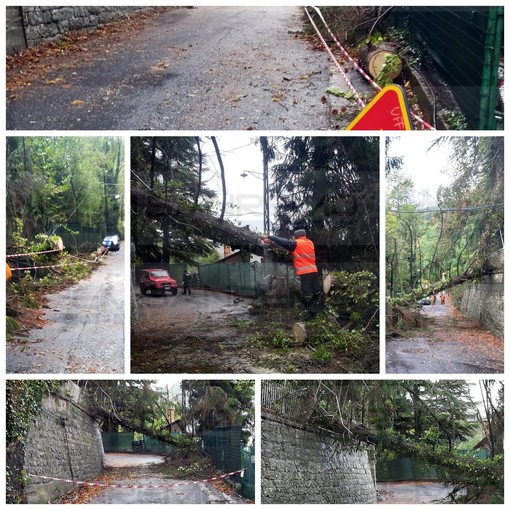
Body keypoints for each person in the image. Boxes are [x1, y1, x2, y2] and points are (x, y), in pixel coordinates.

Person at [262, 229, 323, 320]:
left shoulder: (297, 243)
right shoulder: (310, 242)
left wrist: (270, 237)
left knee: (307, 294)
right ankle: (319, 311)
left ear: (297, 236)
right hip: (314, 271)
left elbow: (283, 242)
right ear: (304, 235)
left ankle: (313, 314)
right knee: (315, 292)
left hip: (305, 273)